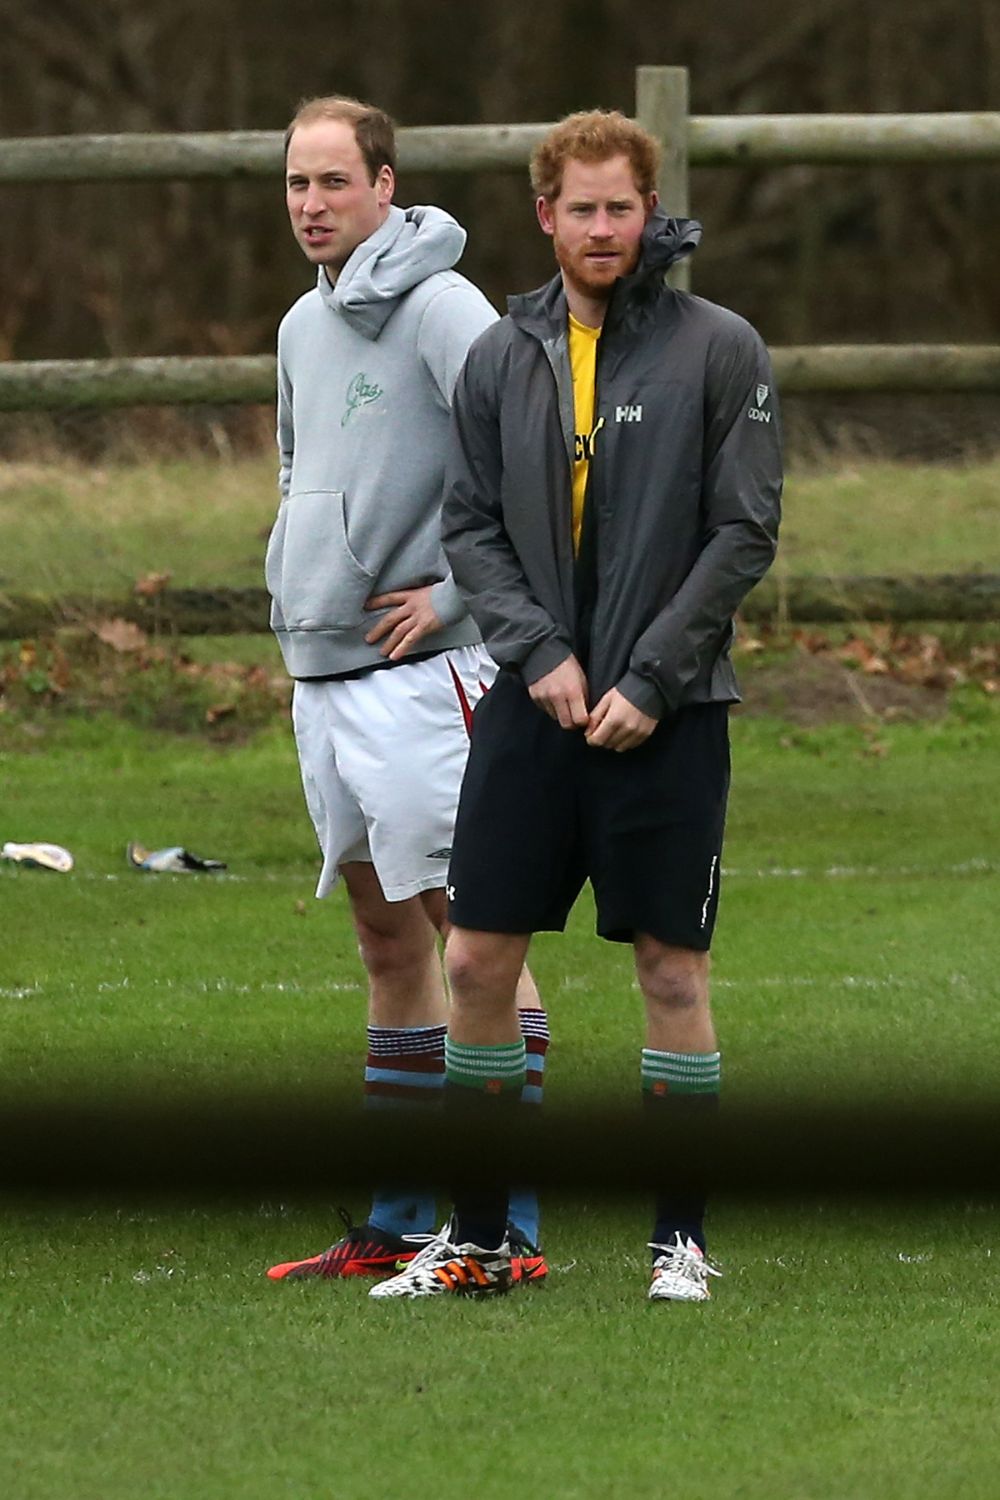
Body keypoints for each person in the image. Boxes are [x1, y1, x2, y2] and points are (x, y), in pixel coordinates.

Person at [370, 108, 782, 1303]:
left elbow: (743, 530)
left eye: (622, 207)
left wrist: (650, 678)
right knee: (482, 956)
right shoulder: (503, 354)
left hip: (671, 712)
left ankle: (679, 1244)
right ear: (543, 216)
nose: (602, 228)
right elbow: (472, 528)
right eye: (580, 208)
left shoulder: (721, 347)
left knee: (670, 971)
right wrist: (538, 654)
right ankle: (484, 1239)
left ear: (649, 214)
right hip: (531, 708)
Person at [263, 95, 549, 1285]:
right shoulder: (298, 322)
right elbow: (294, 465)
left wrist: (458, 603)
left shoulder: (444, 306)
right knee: (387, 942)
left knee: (472, 942)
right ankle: (393, 1218)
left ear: (386, 185)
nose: (313, 205)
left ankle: (511, 1224)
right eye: (295, 185)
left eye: (334, 182)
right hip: (324, 675)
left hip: (430, 679)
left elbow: (528, 452)